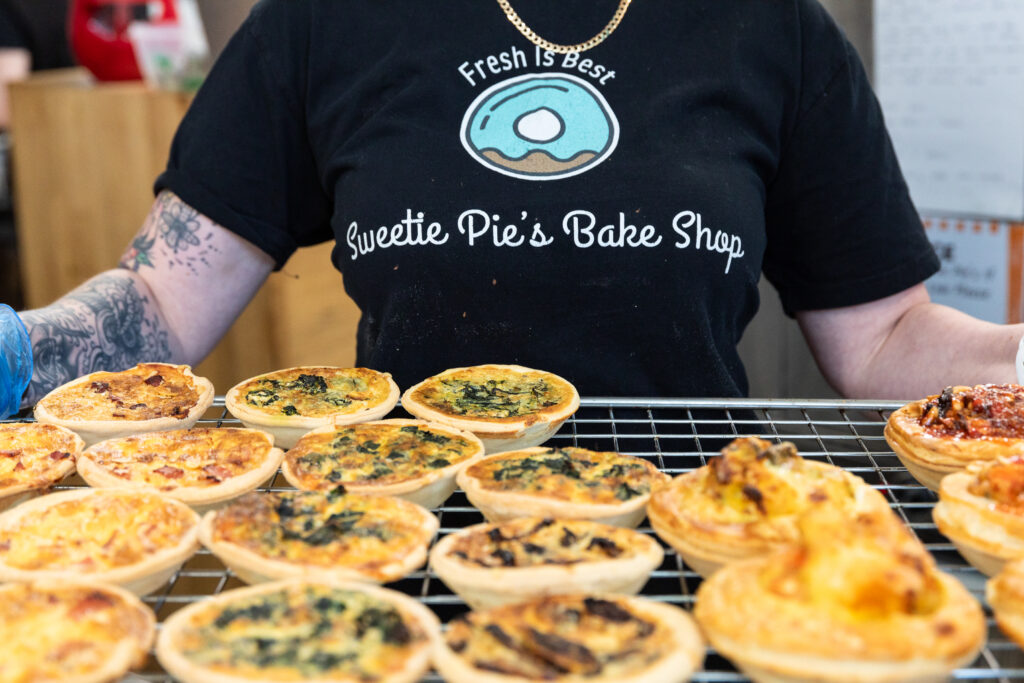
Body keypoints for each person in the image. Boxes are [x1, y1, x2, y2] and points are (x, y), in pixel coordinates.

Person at [2, 0, 1023, 416]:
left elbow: (884, 340)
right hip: (402, 548)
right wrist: (17, 353)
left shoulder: (775, 26)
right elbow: (159, 305)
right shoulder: (322, 20)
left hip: (703, 538)